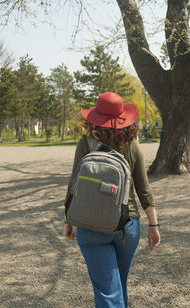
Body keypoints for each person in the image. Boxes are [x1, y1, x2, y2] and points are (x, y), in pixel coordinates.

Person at [63, 92, 160, 308]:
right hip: (127, 224)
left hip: (90, 225)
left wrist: (68, 221)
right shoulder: (131, 143)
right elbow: (143, 188)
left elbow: (73, 185)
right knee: (118, 285)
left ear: (95, 117)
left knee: (108, 290)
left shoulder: (86, 143)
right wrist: (153, 224)